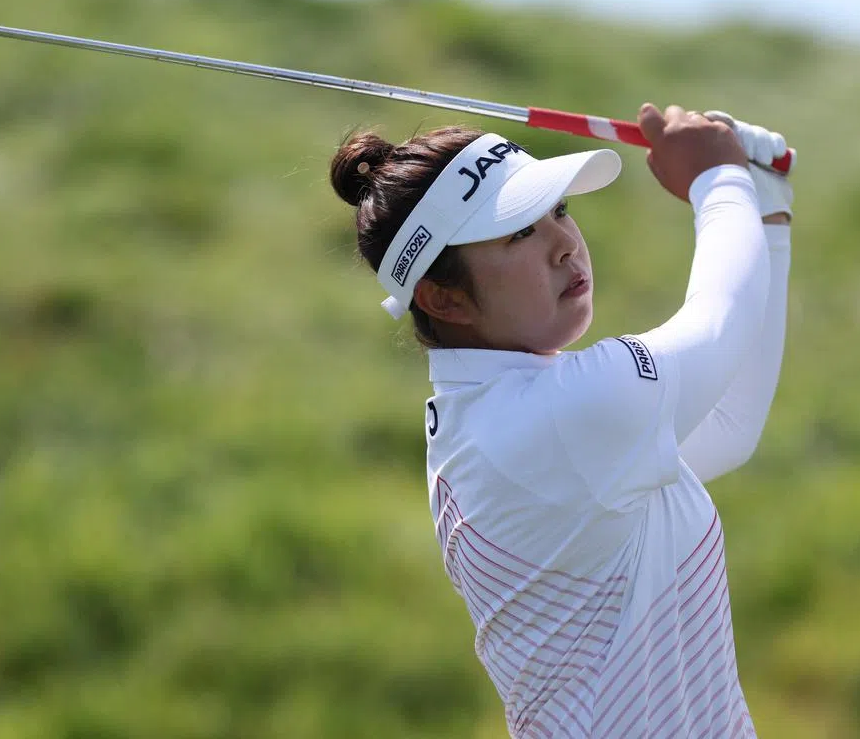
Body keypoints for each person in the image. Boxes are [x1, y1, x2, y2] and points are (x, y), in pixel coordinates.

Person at [329, 104, 793, 738]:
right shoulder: (558, 419)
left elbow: (730, 423)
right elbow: (721, 320)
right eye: (519, 233)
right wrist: (720, 180)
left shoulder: (508, 419)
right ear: (444, 297)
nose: (563, 243)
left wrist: (763, 204)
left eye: (560, 212)